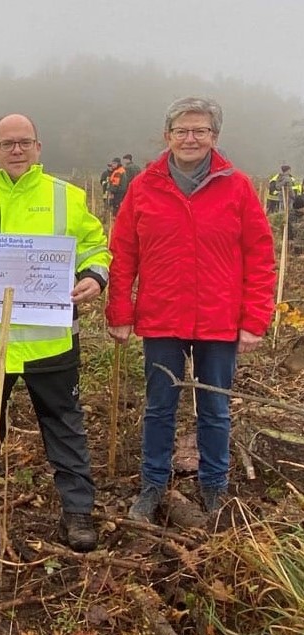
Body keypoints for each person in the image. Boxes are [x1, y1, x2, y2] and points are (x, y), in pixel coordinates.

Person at [0, 113, 111, 553]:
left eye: (24, 142)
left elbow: (96, 245)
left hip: (52, 340)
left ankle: (78, 509)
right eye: (7, 143)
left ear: (38, 147)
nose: (16, 150)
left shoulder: (67, 197)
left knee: (64, 423)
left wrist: (95, 276)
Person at [106, 97, 276, 524]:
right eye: (182, 130)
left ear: (214, 137)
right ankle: (152, 485)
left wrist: (255, 319)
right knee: (159, 405)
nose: (190, 138)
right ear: (168, 136)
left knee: (214, 409)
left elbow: (260, 255)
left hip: (220, 318)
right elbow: (123, 252)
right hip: (162, 316)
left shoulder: (237, 186)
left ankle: (214, 487)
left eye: (200, 131)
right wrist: (119, 310)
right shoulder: (145, 185)